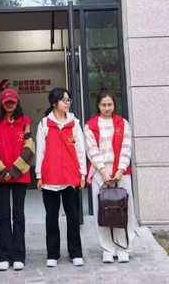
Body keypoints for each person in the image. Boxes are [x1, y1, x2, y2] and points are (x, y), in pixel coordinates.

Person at [84, 88, 137, 263]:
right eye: (103, 105)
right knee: (103, 211)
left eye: (110, 104)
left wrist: (120, 170)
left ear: (114, 104)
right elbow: (91, 150)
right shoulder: (90, 125)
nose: (107, 108)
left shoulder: (122, 123)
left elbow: (126, 148)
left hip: (121, 171)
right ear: (98, 105)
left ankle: (124, 248)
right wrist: (103, 171)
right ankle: (107, 249)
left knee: (124, 210)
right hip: (100, 172)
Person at [35, 87, 87, 268]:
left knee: (73, 217)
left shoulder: (75, 124)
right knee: (51, 218)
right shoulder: (44, 124)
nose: (67, 103)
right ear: (54, 103)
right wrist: (39, 175)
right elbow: (40, 151)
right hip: (50, 178)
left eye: (68, 100)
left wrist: (82, 174)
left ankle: (75, 253)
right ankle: (53, 254)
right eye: (64, 100)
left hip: (71, 178)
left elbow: (80, 150)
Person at [0, 89, 35, 271]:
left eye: (12, 101)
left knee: (18, 215)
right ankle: (5, 255)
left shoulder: (25, 122)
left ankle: (19, 255)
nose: (9, 104)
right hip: (0, 176)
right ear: (1, 103)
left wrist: (14, 171)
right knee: (4, 215)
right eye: (6, 102)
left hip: (19, 175)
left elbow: (29, 147)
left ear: (17, 102)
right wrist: (2, 170)